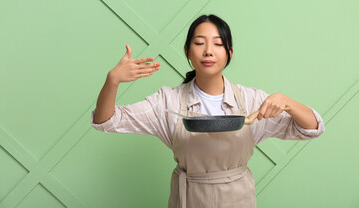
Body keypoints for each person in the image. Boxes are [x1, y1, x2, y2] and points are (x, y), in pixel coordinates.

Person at [91, 14, 325, 208]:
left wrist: (287, 102)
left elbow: (313, 127)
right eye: (200, 43)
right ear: (187, 52)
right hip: (188, 198)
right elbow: (107, 121)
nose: (209, 51)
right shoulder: (167, 101)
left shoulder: (251, 100)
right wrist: (112, 81)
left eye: (218, 44)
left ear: (229, 53)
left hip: (238, 200)